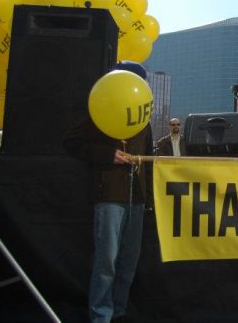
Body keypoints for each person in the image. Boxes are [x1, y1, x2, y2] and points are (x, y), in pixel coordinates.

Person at [63, 61, 153, 323]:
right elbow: (71, 142)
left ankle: (120, 310)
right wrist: (107, 155)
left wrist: (147, 198)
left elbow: (147, 157)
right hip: (109, 196)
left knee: (129, 259)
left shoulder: (143, 118)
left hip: (136, 198)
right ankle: (101, 314)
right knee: (107, 260)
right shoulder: (101, 111)